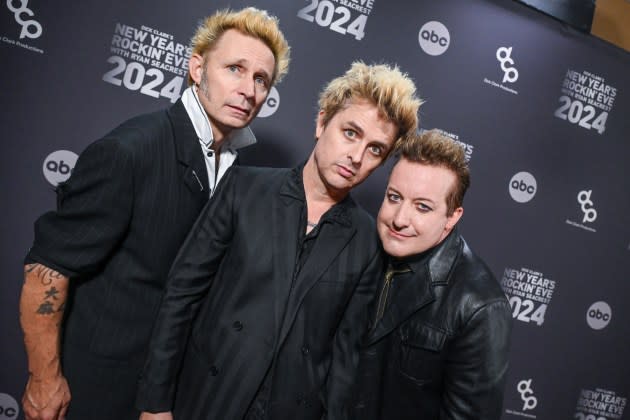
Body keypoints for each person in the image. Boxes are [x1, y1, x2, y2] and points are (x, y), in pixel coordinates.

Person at [19, 8, 290, 420]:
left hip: (166, 394)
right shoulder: (131, 150)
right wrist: (44, 380)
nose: (249, 90)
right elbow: (47, 271)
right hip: (91, 393)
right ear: (196, 68)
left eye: (261, 80)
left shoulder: (234, 169)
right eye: (235, 68)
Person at [135, 61, 422, 420]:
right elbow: (181, 296)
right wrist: (155, 403)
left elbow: (345, 361)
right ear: (322, 123)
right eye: (350, 133)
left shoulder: (368, 241)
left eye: (376, 150)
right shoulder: (244, 189)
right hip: (208, 400)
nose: (357, 156)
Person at [351, 130, 512, 420]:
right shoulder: (363, 251)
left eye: (422, 207)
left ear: (452, 217)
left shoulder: (480, 306)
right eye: (394, 197)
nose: (399, 219)